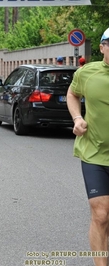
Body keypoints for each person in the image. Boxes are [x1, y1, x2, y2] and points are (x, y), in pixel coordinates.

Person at [66, 27, 109, 266]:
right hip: (95, 154)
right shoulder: (87, 73)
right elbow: (72, 95)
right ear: (102, 47)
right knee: (101, 214)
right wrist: (77, 118)